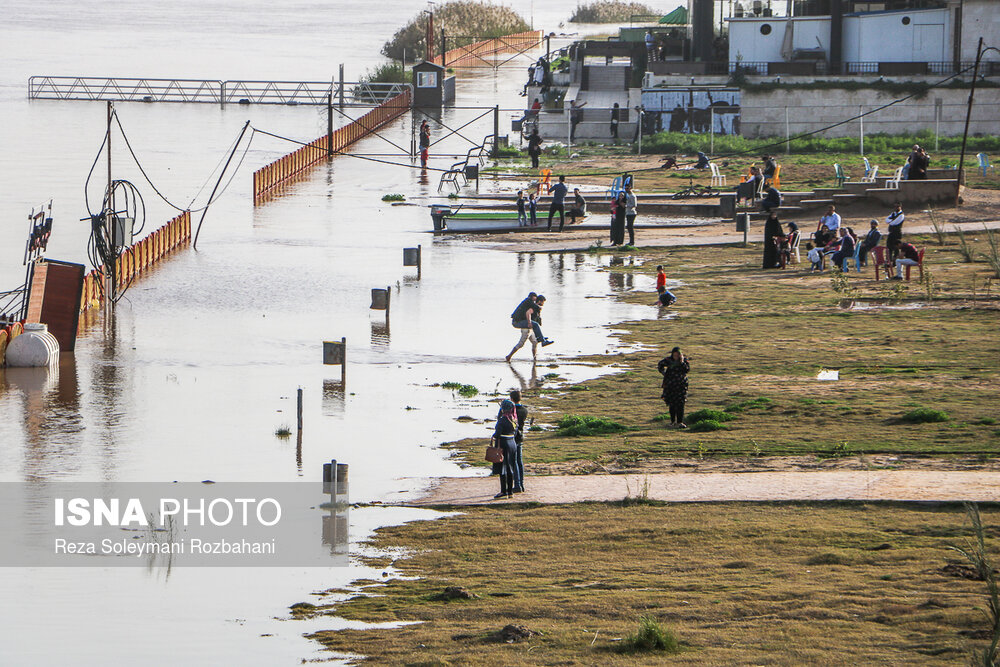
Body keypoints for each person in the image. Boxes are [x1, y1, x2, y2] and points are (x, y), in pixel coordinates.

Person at [507, 293, 552, 362]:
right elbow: (528, 313)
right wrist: (529, 322)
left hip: (530, 329)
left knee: (535, 342)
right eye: (543, 302)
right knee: (521, 344)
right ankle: (509, 356)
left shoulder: (534, 306)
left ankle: (535, 359)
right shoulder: (533, 306)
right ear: (540, 301)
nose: (543, 304)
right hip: (526, 328)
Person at [491, 399, 519, 499]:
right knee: (510, 467)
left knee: (503, 469)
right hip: (512, 443)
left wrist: (494, 436)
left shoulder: (502, 420)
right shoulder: (514, 419)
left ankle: (503, 491)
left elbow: (497, 434)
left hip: (504, 444)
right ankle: (510, 491)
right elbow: (515, 433)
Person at [658, 347, 690, 428]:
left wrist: (682, 362)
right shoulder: (668, 360)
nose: (675, 356)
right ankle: (672, 422)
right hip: (670, 385)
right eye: (674, 354)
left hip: (681, 386)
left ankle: (680, 422)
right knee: (671, 403)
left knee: (680, 404)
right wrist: (664, 373)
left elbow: (687, 369)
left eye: (677, 355)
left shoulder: (684, 361)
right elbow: (660, 365)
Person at [509, 390, 529, 493]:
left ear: (511, 398)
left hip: (512, 437)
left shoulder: (511, 410)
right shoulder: (524, 410)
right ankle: (521, 484)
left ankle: (517, 485)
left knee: (514, 461)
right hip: (520, 436)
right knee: (519, 461)